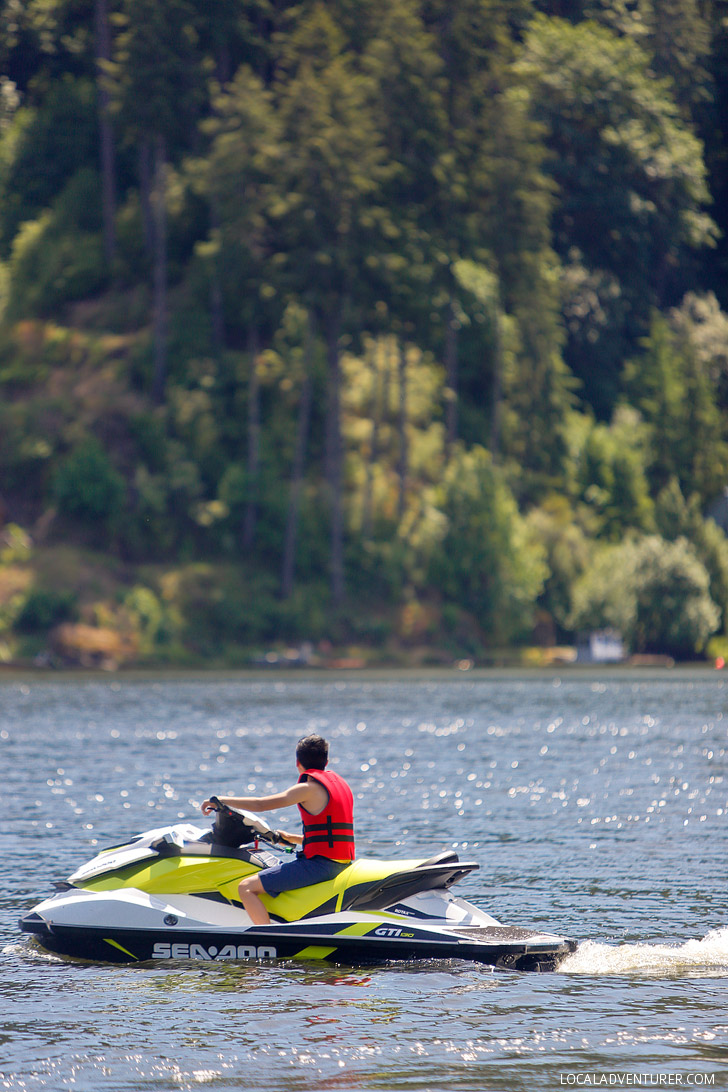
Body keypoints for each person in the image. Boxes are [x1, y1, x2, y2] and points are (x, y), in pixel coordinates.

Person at [201, 734, 355, 925]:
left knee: (246, 887)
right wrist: (292, 838)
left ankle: (268, 940)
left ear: (298, 763)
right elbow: (330, 835)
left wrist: (220, 800)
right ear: (327, 761)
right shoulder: (341, 785)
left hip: (320, 866)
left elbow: (260, 804)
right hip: (342, 862)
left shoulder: (307, 788)